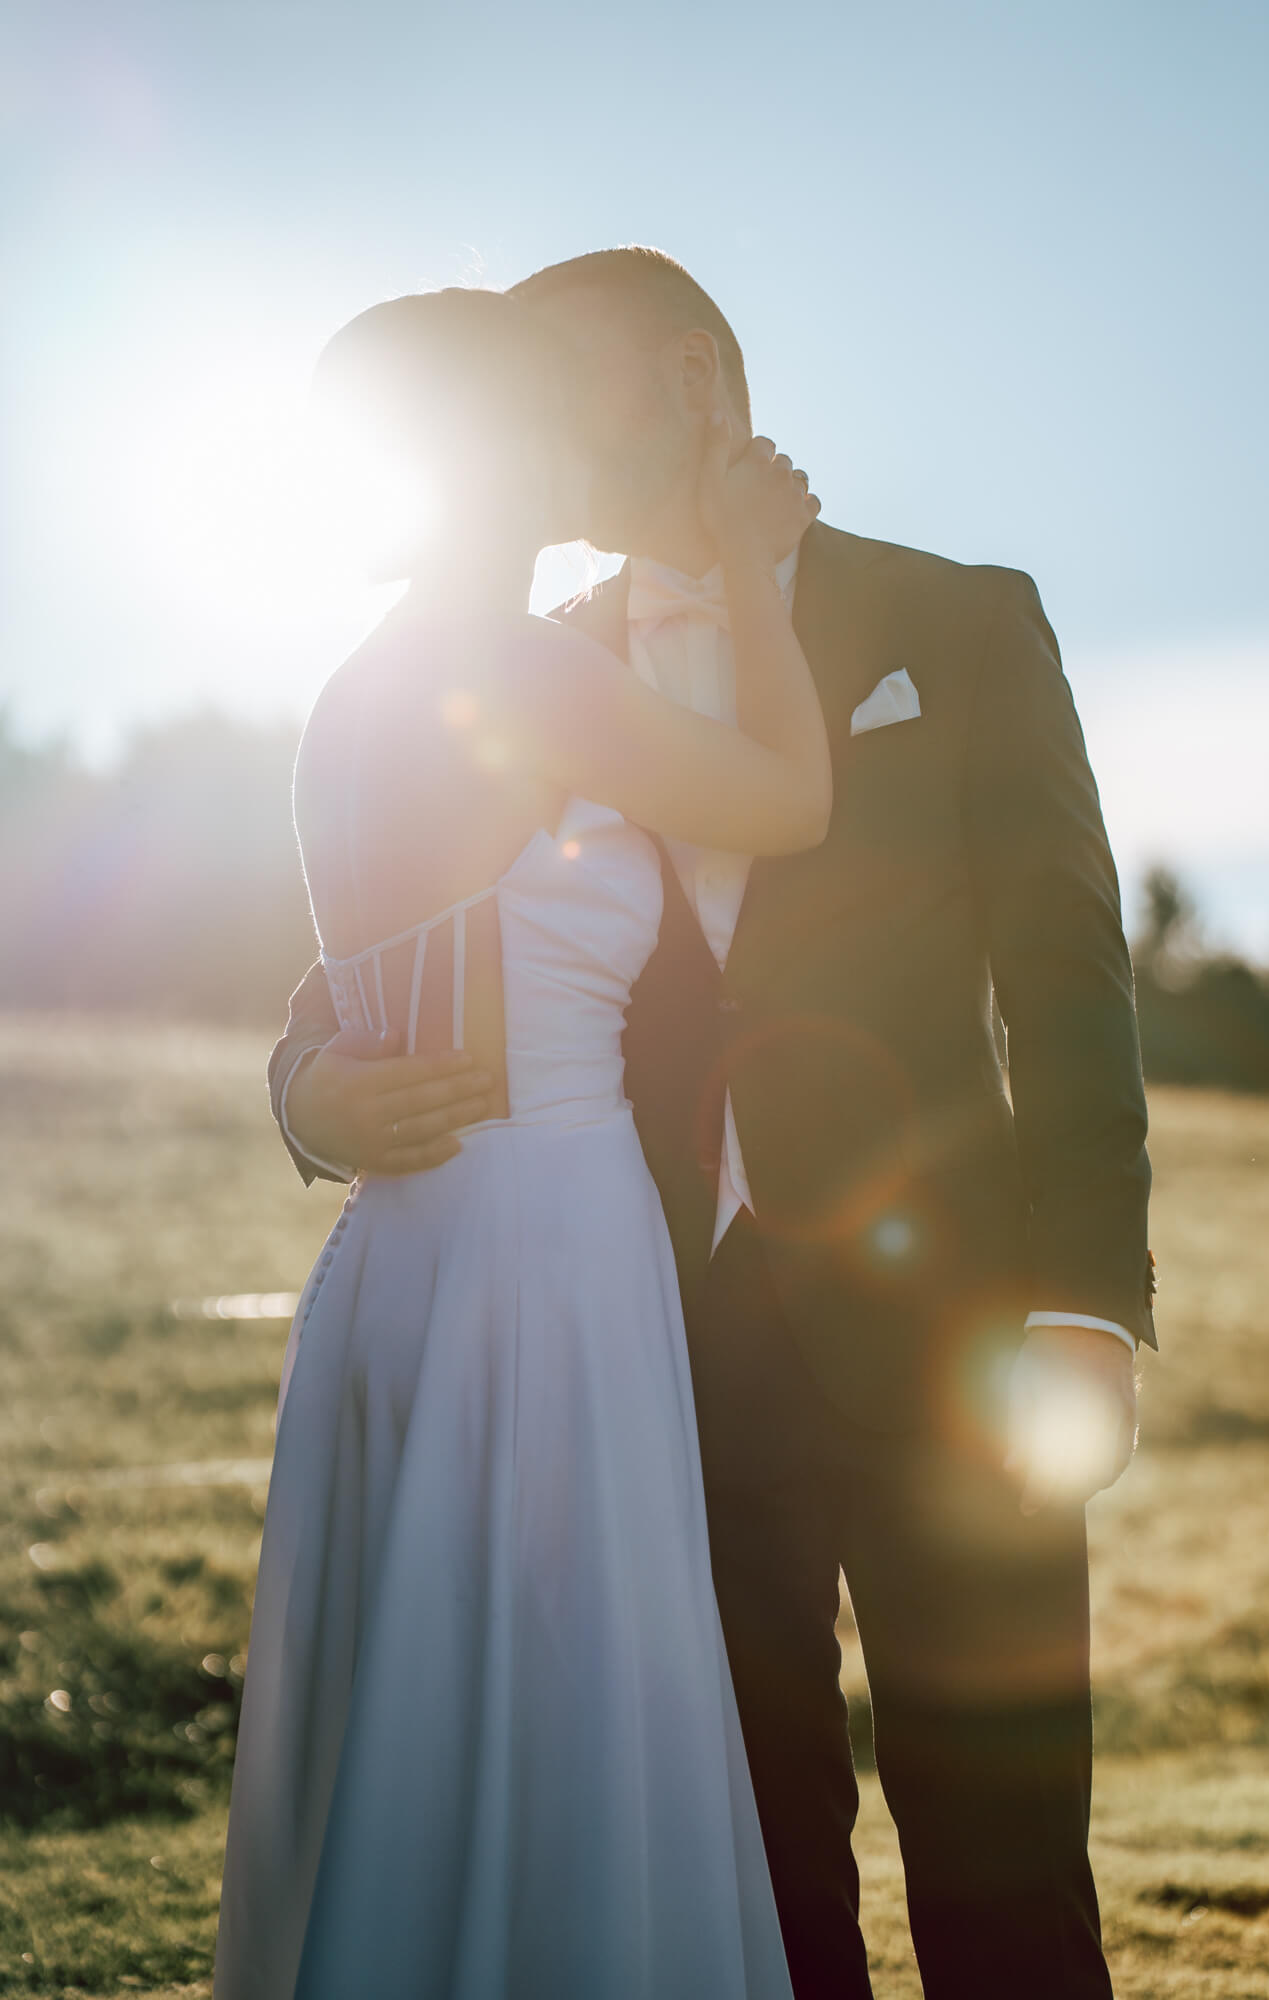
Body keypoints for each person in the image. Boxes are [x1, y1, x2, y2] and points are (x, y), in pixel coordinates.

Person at [268, 248, 1157, 2000]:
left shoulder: (959, 620)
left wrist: (1083, 1310)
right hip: (656, 1350)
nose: (536, 415)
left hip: (951, 1335)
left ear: (690, 379)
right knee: (746, 1877)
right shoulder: (524, 655)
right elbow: (377, 921)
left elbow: (1069, 982)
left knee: (1004, 1866)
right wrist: (307, 1089)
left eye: (561, 374)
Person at [214, 282, 827, 1999]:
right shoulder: (522, 666)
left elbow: (364, 980)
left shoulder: (354, 690)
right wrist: (756, 566)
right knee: (557, 1691)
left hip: (398, 1256)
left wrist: (302, 1093)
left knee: (422, 1708)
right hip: (543, 1256)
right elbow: (790, 799)